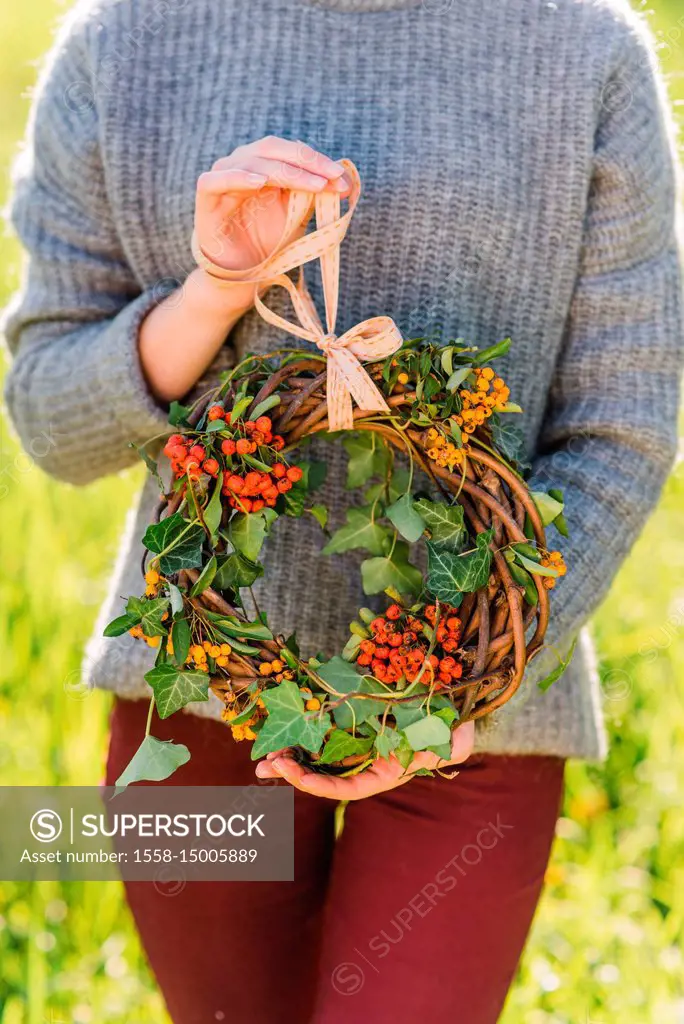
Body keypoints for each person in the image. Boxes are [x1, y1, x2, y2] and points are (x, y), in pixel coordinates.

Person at [3, 0, 682, 1020]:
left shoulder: (583, 51)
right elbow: (54, 421)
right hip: (194, 718)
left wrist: (452, 689)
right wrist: (219, 287)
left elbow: (620, 427)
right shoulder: (124, 42)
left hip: (474, 729)